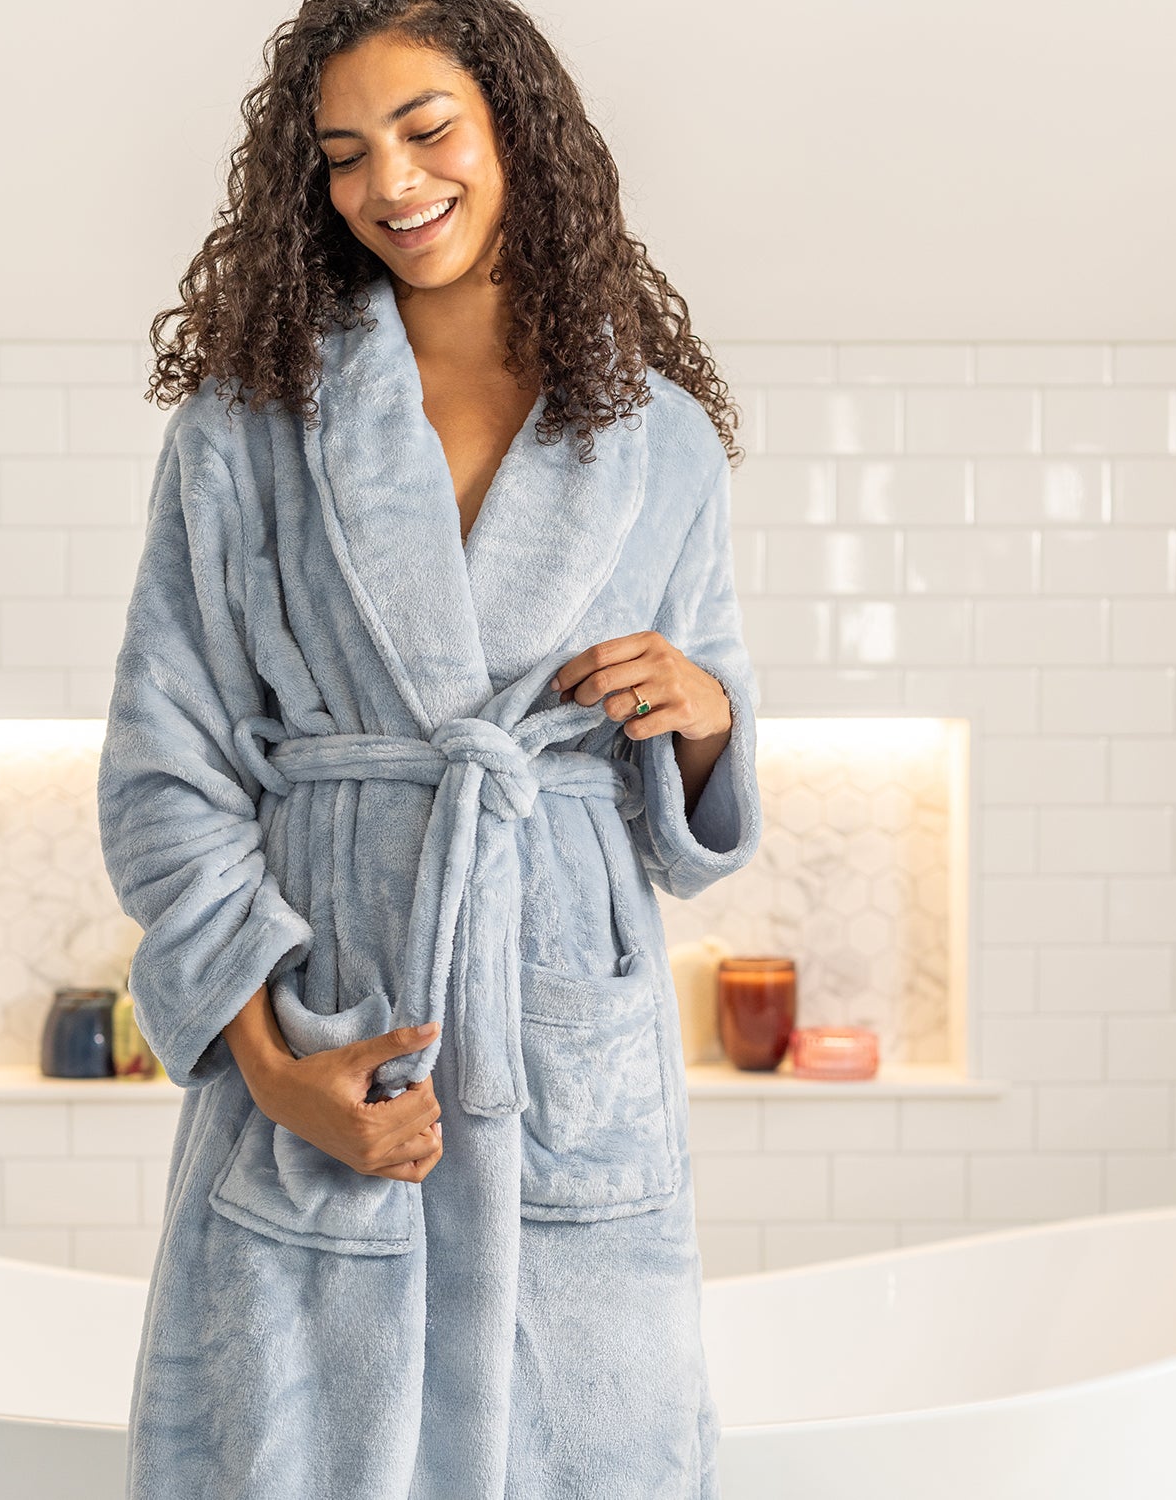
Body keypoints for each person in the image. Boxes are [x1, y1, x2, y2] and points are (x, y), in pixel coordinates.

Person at [96, 1, 763, 1496]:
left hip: (564, 1051)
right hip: (340, 1020)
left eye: (426, 128)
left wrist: (707, 716)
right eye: (341, 155)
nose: (389, 182)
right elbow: (167, 768)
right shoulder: (245, 430)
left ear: (517, 128)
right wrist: (272, 1067)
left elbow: (688, 831)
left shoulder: (659, 442)